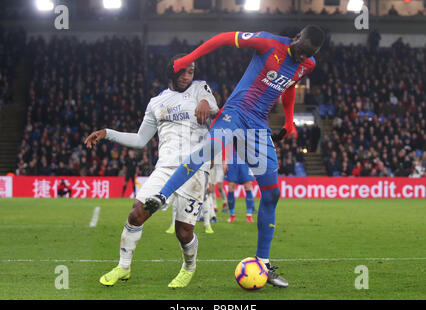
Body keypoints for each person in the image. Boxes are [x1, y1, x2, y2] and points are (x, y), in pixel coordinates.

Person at [144, 26, 325, 288]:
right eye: (301, 51)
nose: (301, 57)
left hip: (259, 126)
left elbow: (288, 86)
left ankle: (263, 264)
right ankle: (161, 196)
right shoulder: (268, 43)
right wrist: (187, 60)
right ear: (296, 38)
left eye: (308, 54)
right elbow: (223, 38)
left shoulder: (307, 64)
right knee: (207, 150)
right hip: (236, 113)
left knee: (272, 193)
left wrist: (288, 120)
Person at [84, 54, 219, 288]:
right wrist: (107, 132)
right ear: (171, 72)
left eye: (191, 71)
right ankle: (123, 266)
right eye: (183, 72)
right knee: (136, 213)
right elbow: (139, 139)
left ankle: (189, 267)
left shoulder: (200, 88)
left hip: (194, 169)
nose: (188, 76)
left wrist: (207, 103)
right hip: (165, 167)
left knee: (183, 231)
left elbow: (213, 106)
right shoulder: (156, 102)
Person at [223, 149, 256, 223]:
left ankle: (249, 216)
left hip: (246, 160)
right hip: (232, 160)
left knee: (248, 186)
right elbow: (228, 145)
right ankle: (232, 216)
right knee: (231, 187)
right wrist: (225, 162)